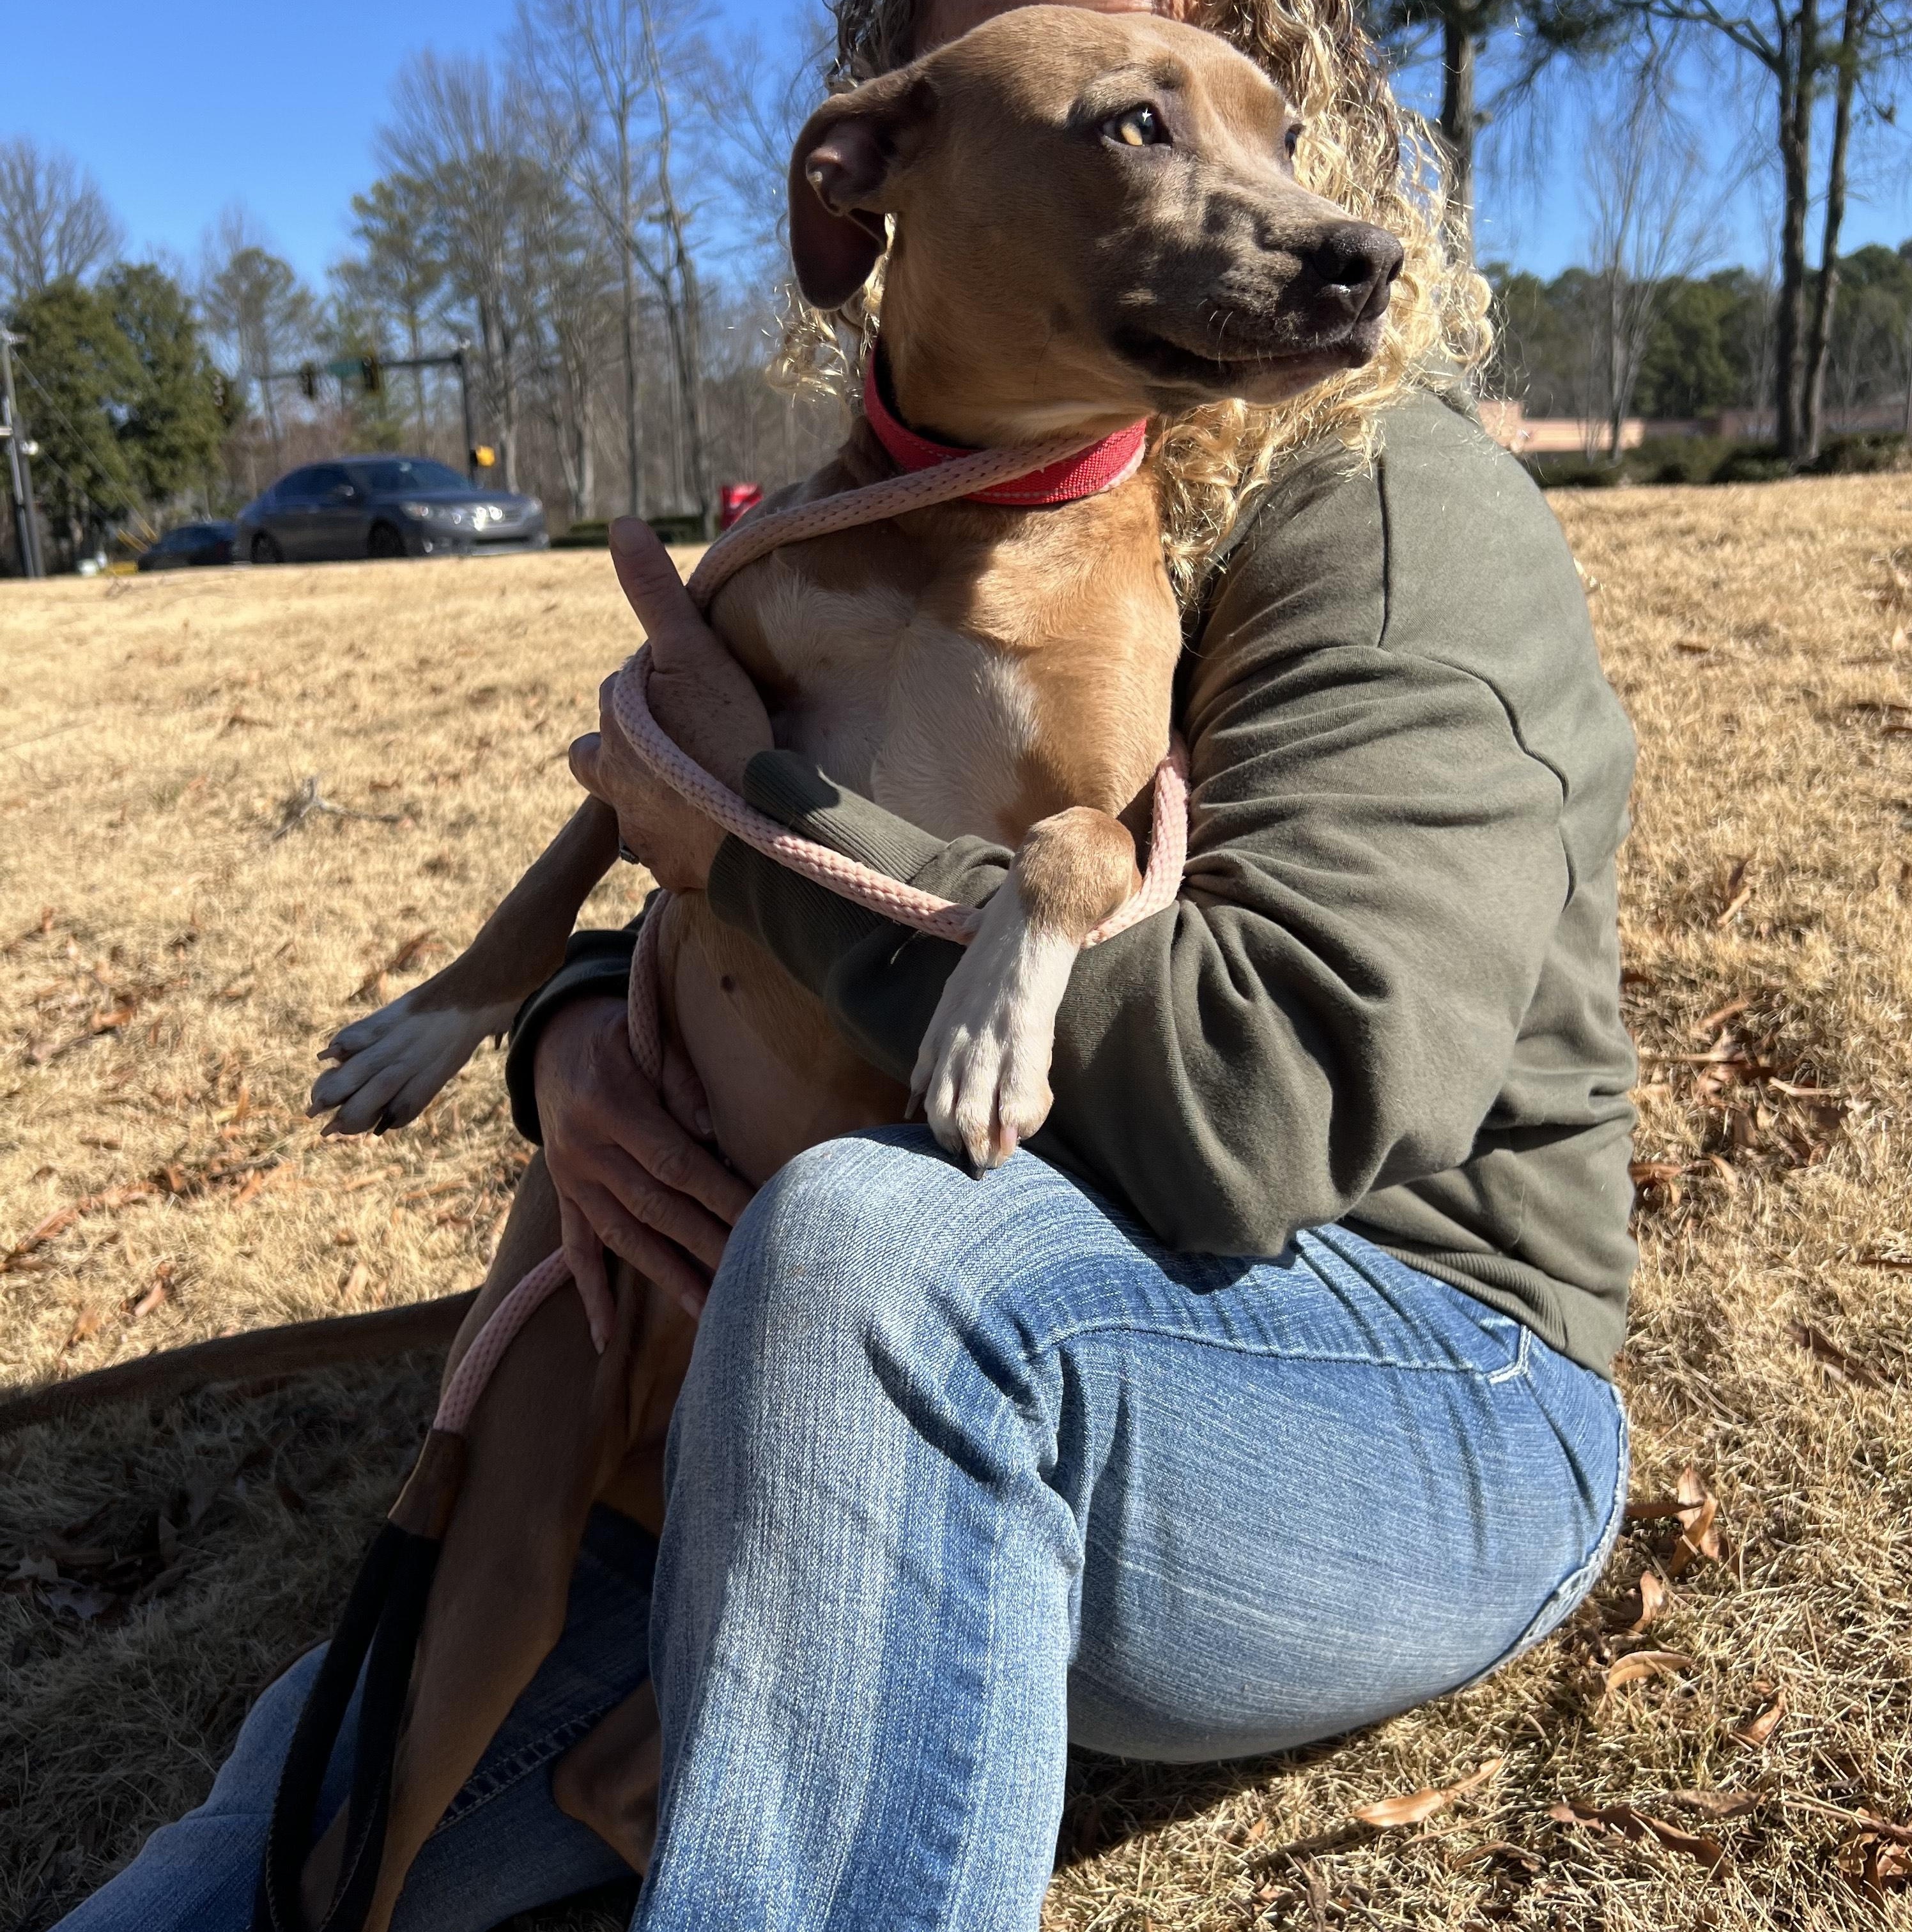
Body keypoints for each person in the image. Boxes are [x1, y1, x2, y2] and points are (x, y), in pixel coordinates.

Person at [58, 0, 1637, 1925]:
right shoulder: (875, 509)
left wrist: (758, 838)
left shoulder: (1390, 515)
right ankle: (673, 1725)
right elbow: (714, 869)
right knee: (247, 1870)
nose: (1256, 197)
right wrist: (561, 1037)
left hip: (1394, 1363)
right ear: (886, 180)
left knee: (865, 1256)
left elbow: (1259, 1105)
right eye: (1128, 130)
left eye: (1252, 124)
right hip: (834, 1351)